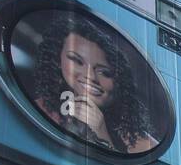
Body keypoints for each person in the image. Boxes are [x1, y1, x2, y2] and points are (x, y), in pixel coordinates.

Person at [33, 13, 157, 154]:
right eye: (77, 61)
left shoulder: (144, 144)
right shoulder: (37, 111)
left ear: (120, 83)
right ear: (57, 60)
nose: (90, 77)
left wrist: (102, 137)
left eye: (104, 72)